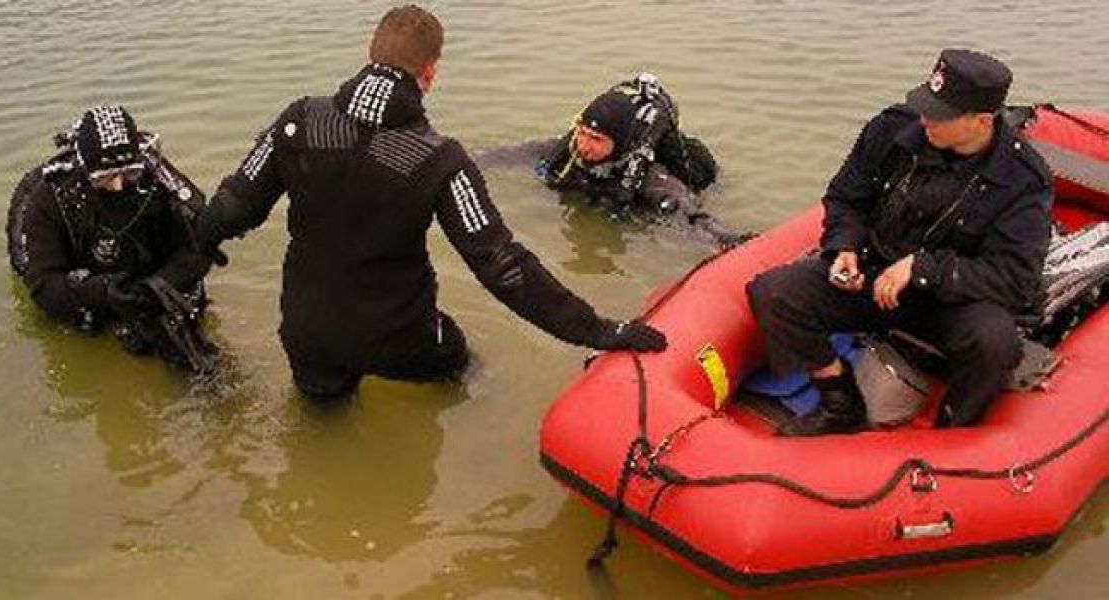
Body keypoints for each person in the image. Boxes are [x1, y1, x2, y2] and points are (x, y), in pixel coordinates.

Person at [195, 5, 666, 399]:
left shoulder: (298, 120)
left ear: (369, 52)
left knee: (321, 425)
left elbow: (232, 209)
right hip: (400, 339)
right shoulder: (440, 159)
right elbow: (502, 267)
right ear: (430, 73)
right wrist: (598, 329)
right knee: (466, 374)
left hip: (307, 332)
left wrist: (194, 253)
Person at [746, 49, 1052, 435]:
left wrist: (923, 269)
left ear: (981, 121)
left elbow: (1015, 276)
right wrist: (845, 246)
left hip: (950, 299)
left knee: (995, 343)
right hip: (873, 274)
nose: (925, 119)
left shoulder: (1022, 179)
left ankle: (955, 429)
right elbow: (846, 198)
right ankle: (839, 401)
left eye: (940, 114)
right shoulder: (891, 130)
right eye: (927, 106)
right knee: (774, 292)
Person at [7, 105, 216, 373]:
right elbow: (44, 286)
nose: (118, 186)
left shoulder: (155, 177)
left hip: (143, 274)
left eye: (129, 173)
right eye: (105, 178)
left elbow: (200, 243)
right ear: (85, 170)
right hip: (88, 278)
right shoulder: (50, 198)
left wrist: (158, 286)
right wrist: (103, 293)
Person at [536, 74, 738, 244]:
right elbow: (519, 154)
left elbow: (692, 217)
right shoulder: (566, 151)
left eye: (597, 139)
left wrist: (725, 240)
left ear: (620, 142)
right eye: (583, 133)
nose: (584, 145)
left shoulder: (651, 177)